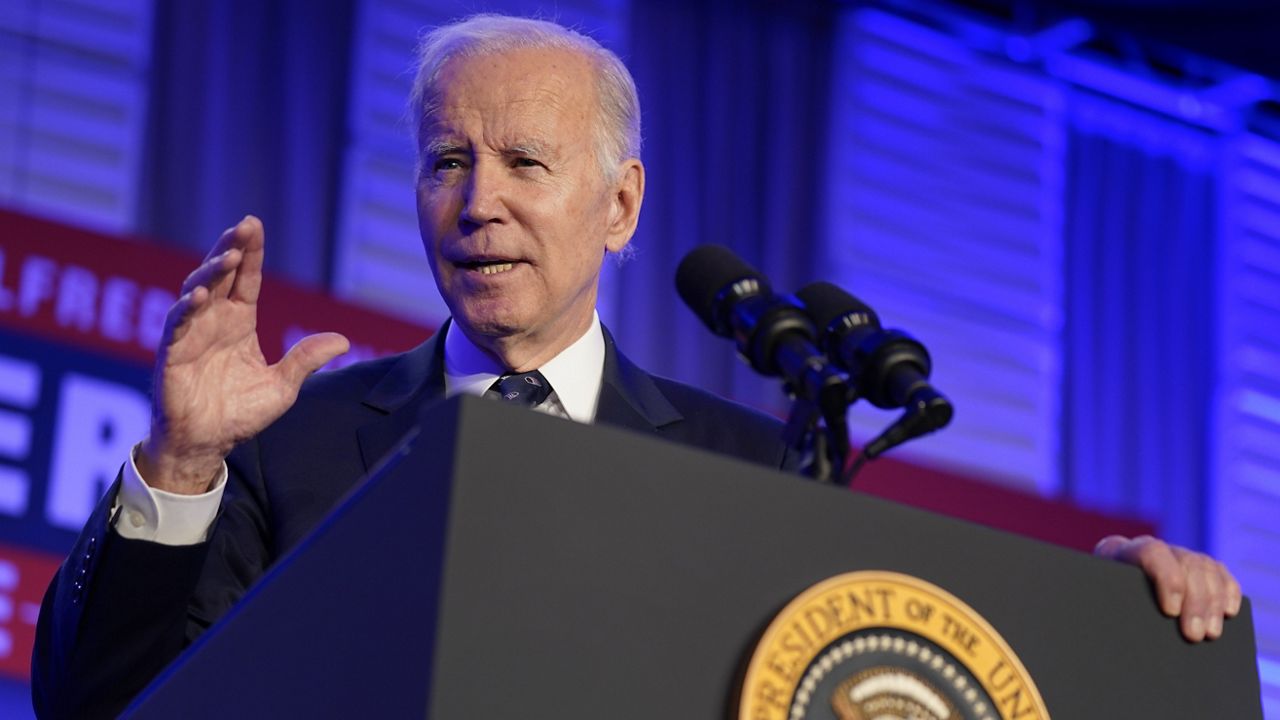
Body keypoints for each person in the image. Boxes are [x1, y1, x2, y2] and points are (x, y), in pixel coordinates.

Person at [31, 13, 1240, 719]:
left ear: (619, 205)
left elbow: (857, 672)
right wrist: (184, 458)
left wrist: (1104, 611)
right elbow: (104, 703)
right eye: (446, 160)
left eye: (523, 164)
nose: (476, 203)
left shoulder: (748, 462)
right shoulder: (290, 435)